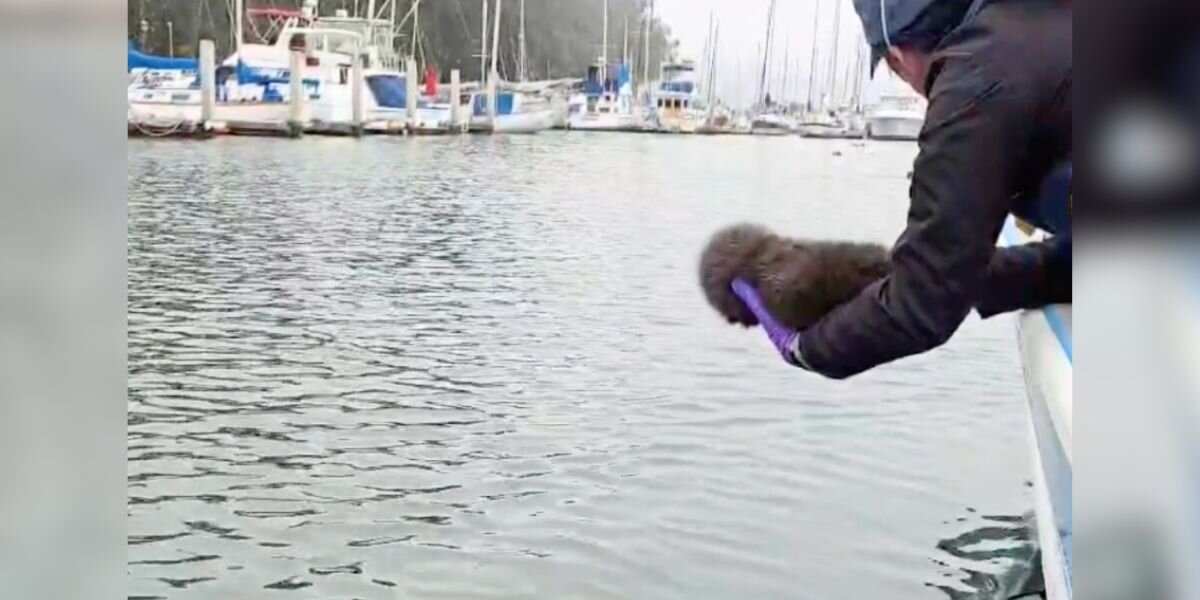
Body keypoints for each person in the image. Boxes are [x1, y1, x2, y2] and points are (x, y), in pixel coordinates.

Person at [737, 0, 1072, 379]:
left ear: (897, 58)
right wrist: (963, 275)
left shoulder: (975, 77)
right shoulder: (1044, 27)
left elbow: (922, 305)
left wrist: (807, 349)